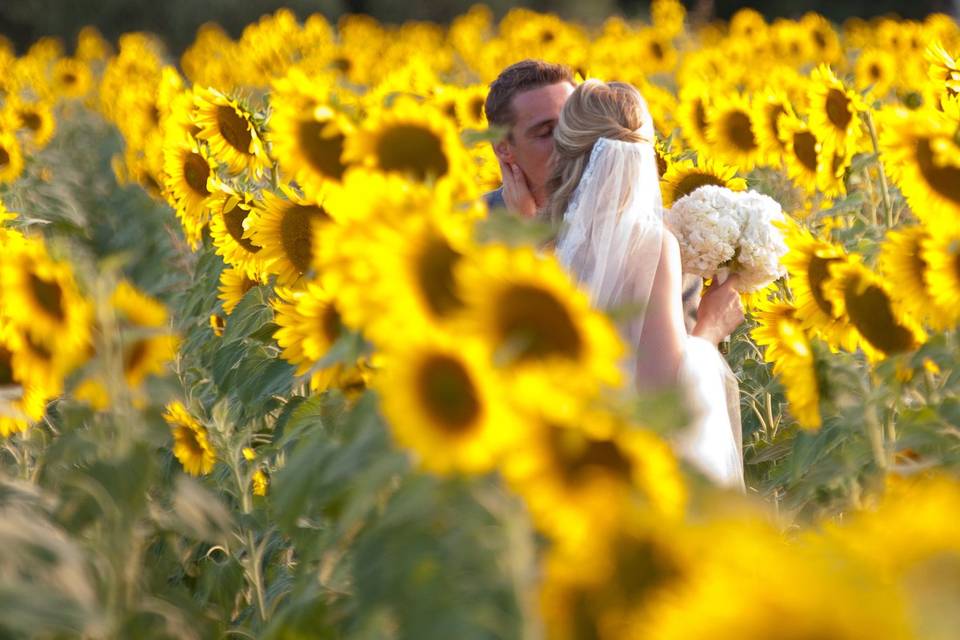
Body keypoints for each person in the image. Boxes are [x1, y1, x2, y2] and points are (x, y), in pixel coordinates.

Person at [541, 78, 745, 489]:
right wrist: (710, 327)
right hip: (624, 471)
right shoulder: (650, 246)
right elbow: (662, 396)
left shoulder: (542, 242)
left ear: (564, 152)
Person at [483, 60, 742, 347]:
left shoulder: (656, 236)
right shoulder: (470, 229)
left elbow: (677, 369)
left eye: (574, 124)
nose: (571, 141)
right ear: (503, 148)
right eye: (546, 133)